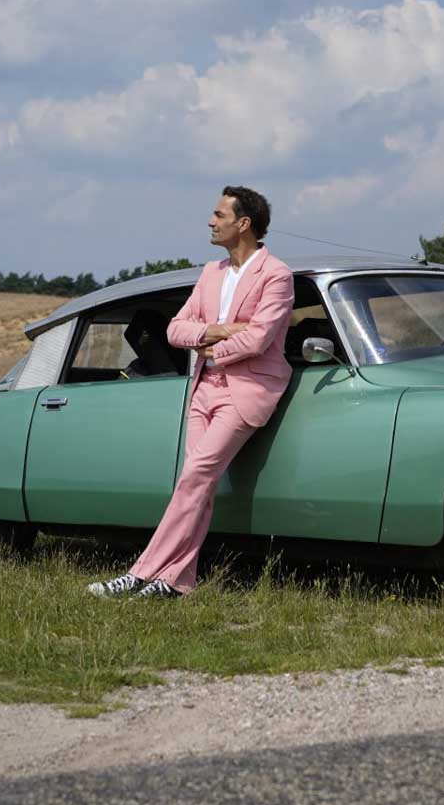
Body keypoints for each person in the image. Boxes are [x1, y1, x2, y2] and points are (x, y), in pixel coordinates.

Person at [87, 185, 295, 599]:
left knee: (197, 477)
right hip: (202, 389)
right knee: (194, 482)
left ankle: (140, 572)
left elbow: (258, 341)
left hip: (245, 391)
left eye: (219, 215)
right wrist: (216, 331)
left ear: (244, 223)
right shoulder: (209, 273)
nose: (210, 221)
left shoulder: (277, 275)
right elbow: (174, 329)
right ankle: (177, 582)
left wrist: (212, 346)